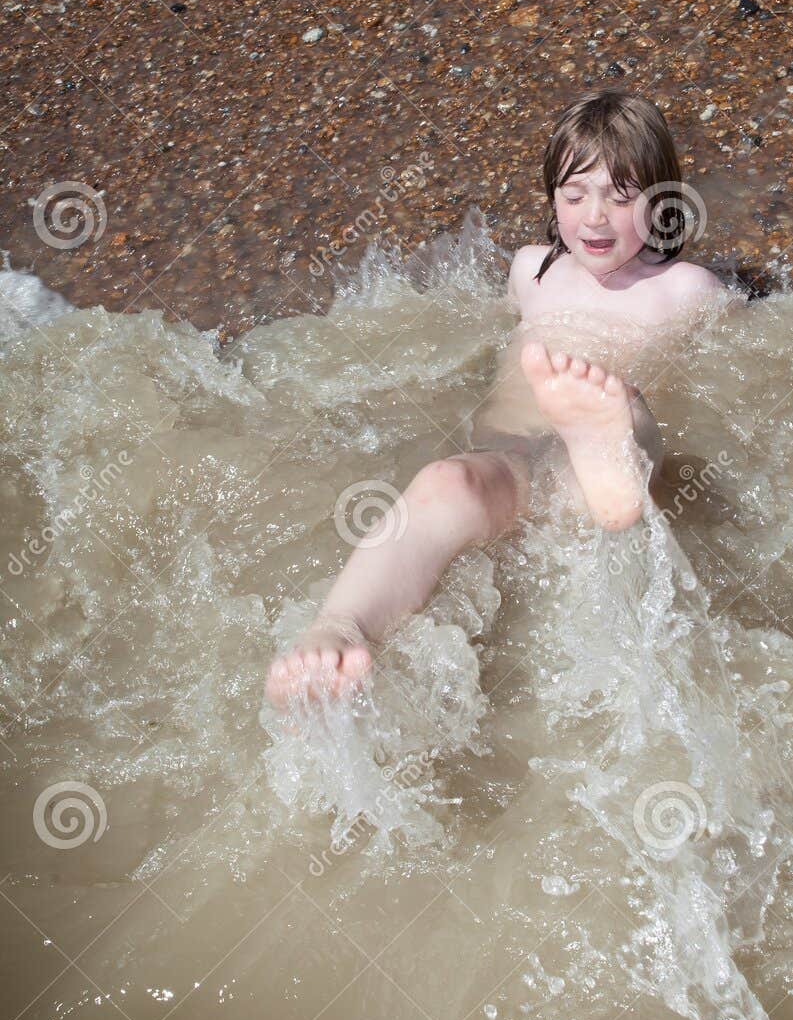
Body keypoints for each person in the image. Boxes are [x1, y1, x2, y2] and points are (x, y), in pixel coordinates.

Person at [265, 87, 729, 706]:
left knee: (629, 411)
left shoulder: (687, 290)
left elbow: (724, 379)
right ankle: (343, 627)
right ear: (551, 199)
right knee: (444, 483)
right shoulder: (530, 271)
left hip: (596, 468)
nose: (593, 218)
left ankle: (608, 462)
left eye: (621, 199)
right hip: (512, 460)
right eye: (573, 196)